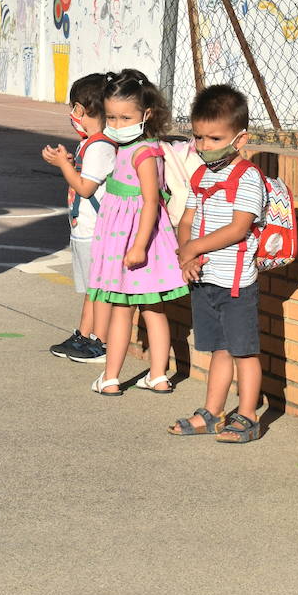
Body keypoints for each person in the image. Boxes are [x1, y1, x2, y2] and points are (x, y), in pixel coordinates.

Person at [169, 84, 265, 443]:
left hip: (236, 283)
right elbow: (187, 219)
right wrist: (186, 253)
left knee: (244, 351)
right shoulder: (200, 175)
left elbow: (239, 227)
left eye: (214, 138)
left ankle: (248, 415)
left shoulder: (247, 177)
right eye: (198, 137)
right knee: (219, 349)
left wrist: (194, 247)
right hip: (205, 279)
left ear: (240, 139)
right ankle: (212, 412)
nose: (204, 145)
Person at [86, 68, 188, 396]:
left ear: (147, 114)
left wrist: (139, 246)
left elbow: (150, 201)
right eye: (111, 118)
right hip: (130, 241)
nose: (117, 125)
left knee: (125, 311)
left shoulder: (144, 152)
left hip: (136, 243)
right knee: (152, 310)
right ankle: (157, 375)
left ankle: (111, 378)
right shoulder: (132, 148)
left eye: (125, 118)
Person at [41, 72, 116, 362]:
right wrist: (69, 163)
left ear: (81, 109)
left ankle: (100, 342)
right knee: (90, 288)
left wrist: (64, 166)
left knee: (98, 289)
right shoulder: (89, 143)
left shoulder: (100, 145)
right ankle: (83, 336)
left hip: (96, 229)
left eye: (73, 107)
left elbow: (85, 187)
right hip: (83, 228)